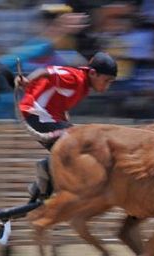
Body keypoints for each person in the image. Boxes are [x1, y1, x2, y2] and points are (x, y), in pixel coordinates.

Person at [15, 51, 117, 200]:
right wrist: (28, 81)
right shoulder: (75, 77)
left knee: (79, 150)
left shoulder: (82, 85)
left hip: (45, 117)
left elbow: (59, 103)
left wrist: (67, 123)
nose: (107, 86)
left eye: (110, 82)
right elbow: (46, 71)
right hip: (37, 115)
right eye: (106, 80)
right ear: (93, 73)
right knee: (77, 148)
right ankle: (47, 168)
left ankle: (39, 190)